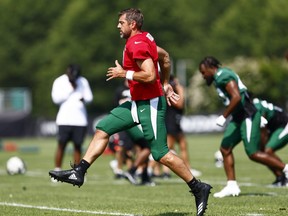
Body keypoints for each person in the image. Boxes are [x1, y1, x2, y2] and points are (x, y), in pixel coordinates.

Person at [50, 8, 212, 216]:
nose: (118, 26)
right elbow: (166, 57)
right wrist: (167, 84)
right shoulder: (146, 38)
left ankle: (198, 187)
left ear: (132, 24)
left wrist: (124, 73)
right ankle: (79, 171)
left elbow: (149, 75)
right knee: (103, 129)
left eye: (121, 22)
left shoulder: (136, 44)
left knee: (160, 153)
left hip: (151, 104)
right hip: (137, 103)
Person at [198, 56, 288, 198]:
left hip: (247, 115)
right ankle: (232, 186)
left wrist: (224, 116)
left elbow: (237, 97)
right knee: (225, 148)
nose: (203, 76)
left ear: (211, 68)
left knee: (253, 153)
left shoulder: (222, 76)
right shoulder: (219, 77)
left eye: (203, 72)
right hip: (239, 116)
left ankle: (285, 169)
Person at [149, 75, 202, 179]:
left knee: (183, 146)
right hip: (170, 124)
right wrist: (180, 90)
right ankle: (150, 169)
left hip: (176, 124)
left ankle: (188, 169)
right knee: (166, 150)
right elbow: (180, 104)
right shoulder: (169, 92)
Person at [51, 64, 93, 176]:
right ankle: (57, 170)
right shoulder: (59, 81)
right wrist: (71, 89)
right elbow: (56, 99)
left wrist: (83, 99)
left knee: (78, 146)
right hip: (64, 119)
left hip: (80, 120)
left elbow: (89, 98)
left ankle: (77, 172)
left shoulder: (83, 81)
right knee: (61, 145)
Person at [253, 97, 288, 186]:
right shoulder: (254, 105)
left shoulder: (256, 108)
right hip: (275, 127)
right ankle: (281, 178)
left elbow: (263, 128)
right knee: (263, 153)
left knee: (267, 151)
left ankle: (285, 176)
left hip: (284, 125)